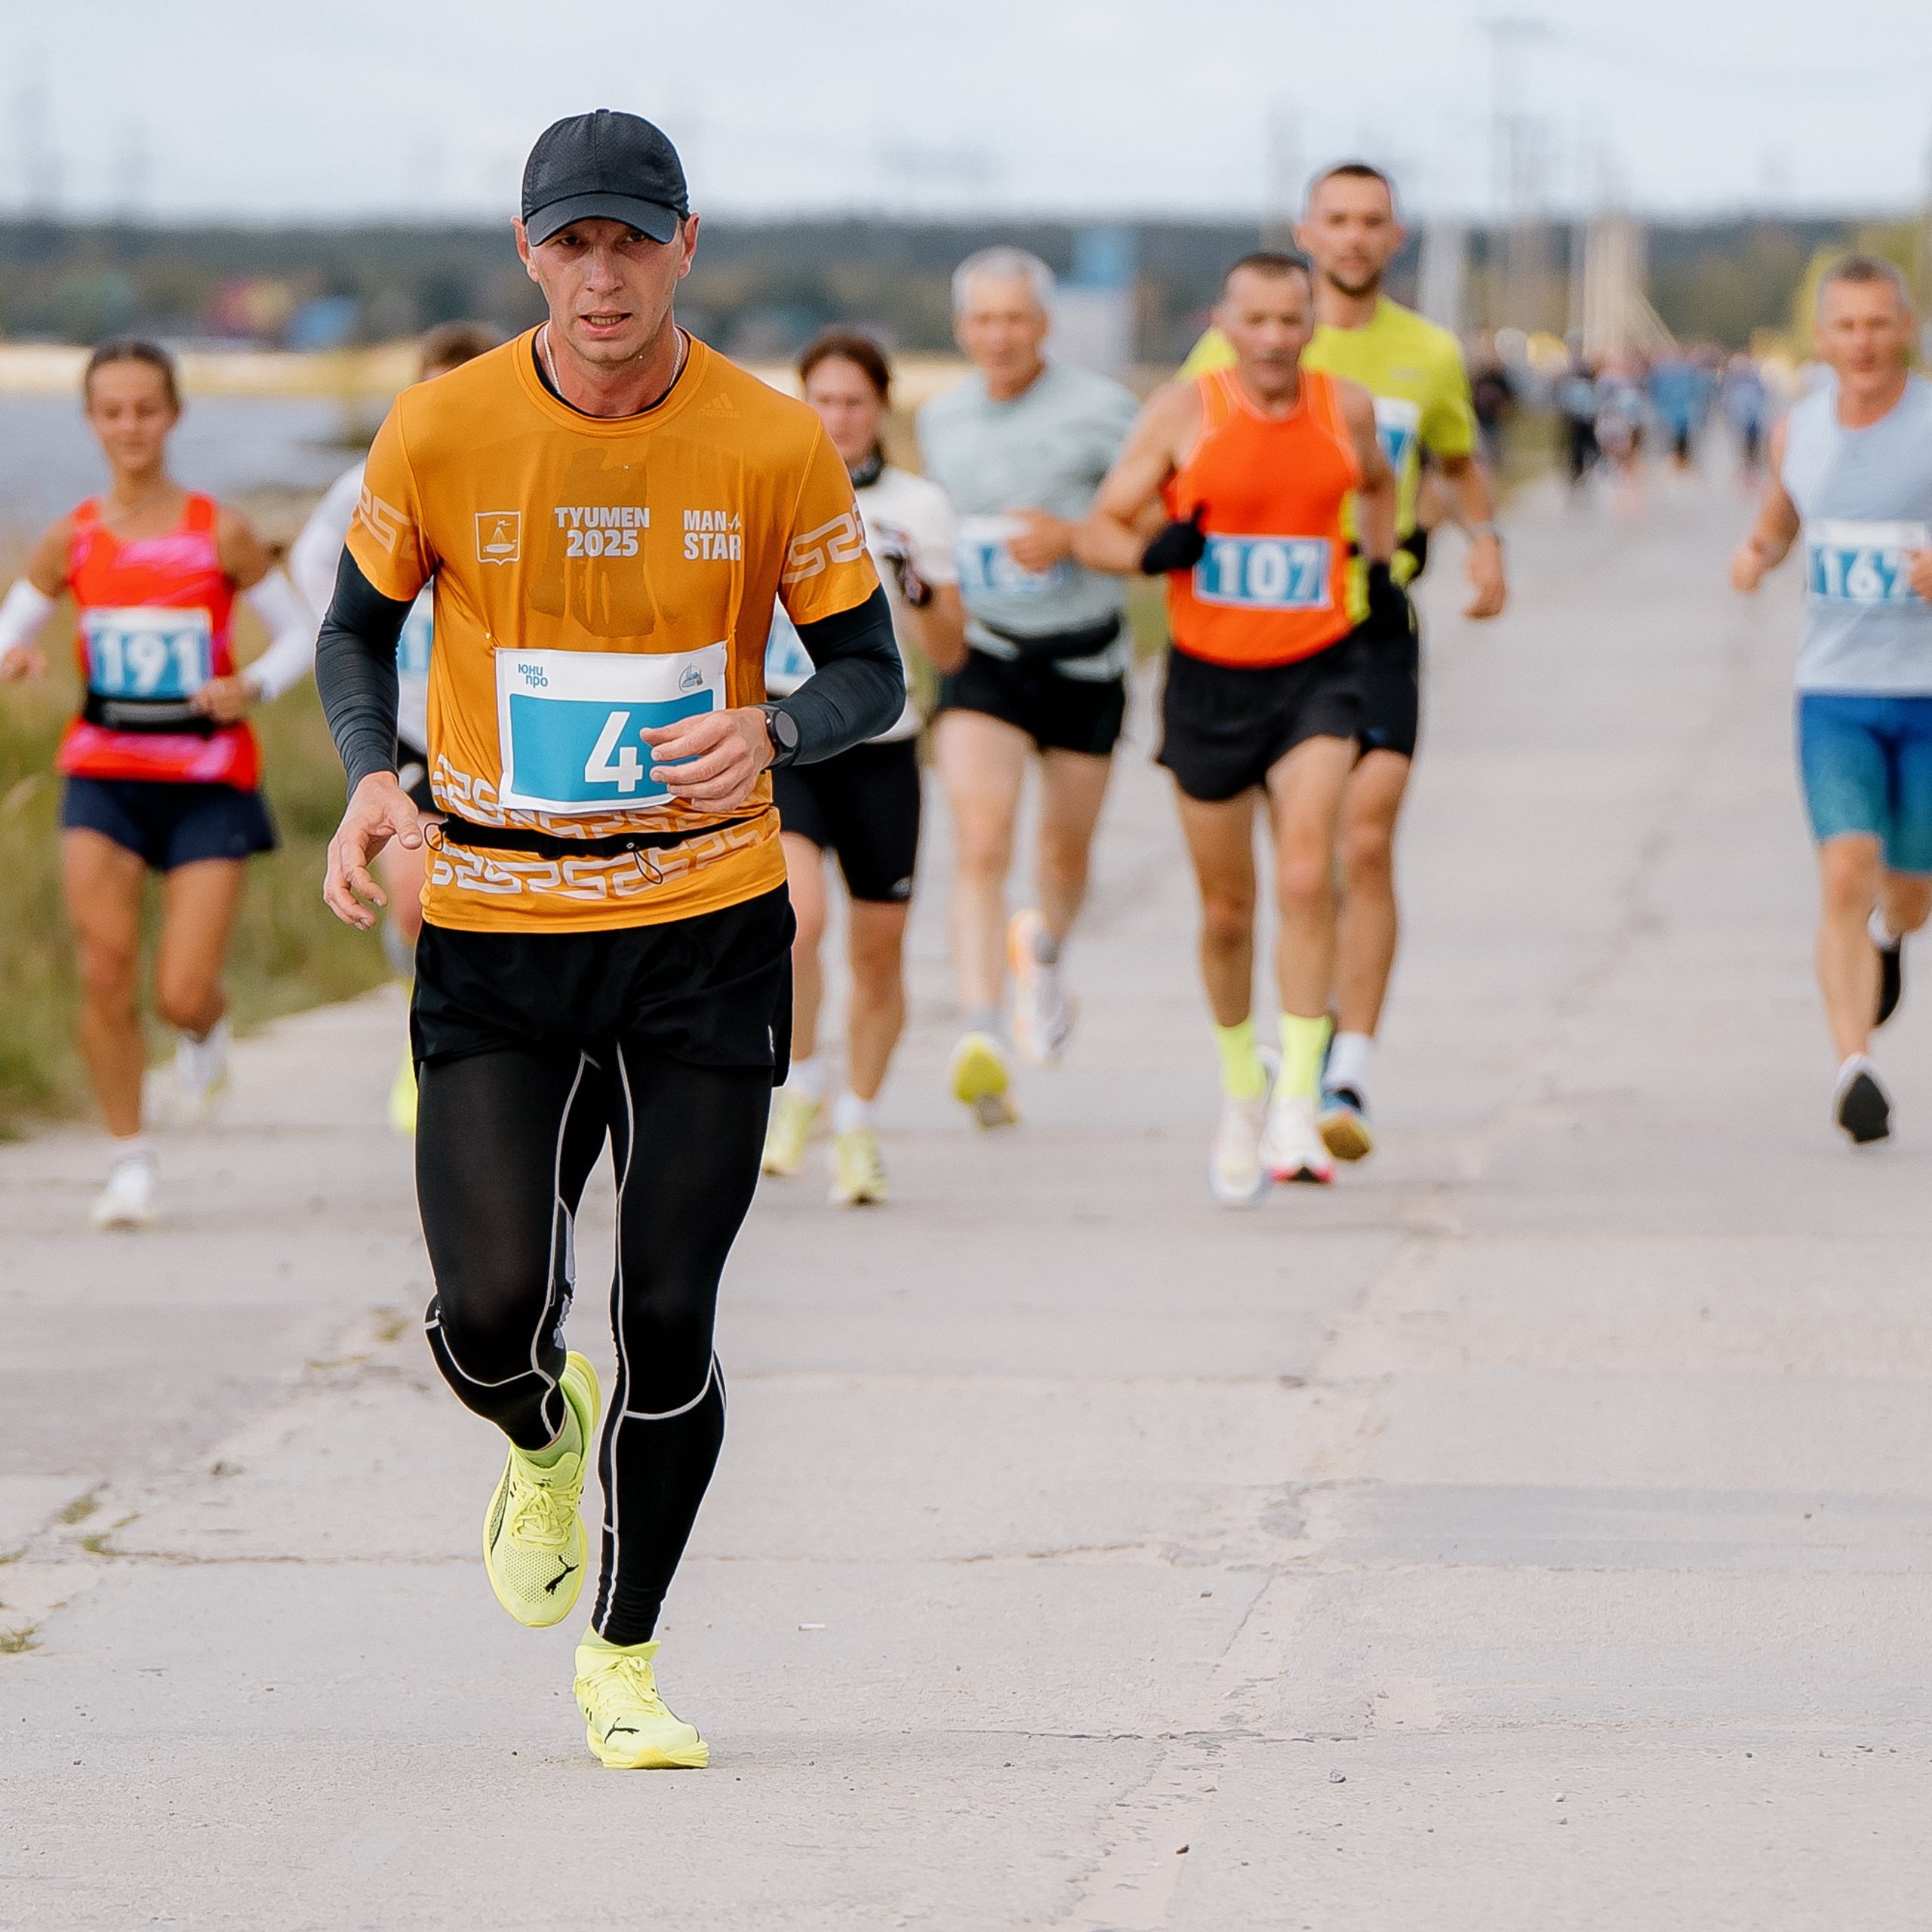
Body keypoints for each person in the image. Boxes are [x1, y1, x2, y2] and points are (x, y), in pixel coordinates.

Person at [314, 111, 901, 1768]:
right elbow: (354, 636)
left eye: (631, 240)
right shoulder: (438, 428)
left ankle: (625, 1652)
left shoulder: (776, 444)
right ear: (527, 254)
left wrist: (779, 728)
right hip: (498, 925)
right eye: (570, 243)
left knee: (673, 1311)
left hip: (704, 928)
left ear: (684, 246)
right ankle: (533, 1430)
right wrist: (373, 782)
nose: (602, 274)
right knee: (486, 1309)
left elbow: (873, 670)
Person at [1180, 163, 1508, 1161]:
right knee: (1297, 865)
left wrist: (1486, 545)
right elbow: (1187, 464)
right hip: (1260, 642)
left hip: (1374, 622)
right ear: (1306, 232)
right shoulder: (1232, 347)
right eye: (1337, 221)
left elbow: (1456, 462)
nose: (1354, 238)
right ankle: (1295, 1050)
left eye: (1372, 221)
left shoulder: (1430, 353)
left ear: (1394, 237)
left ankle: (1346, 1069)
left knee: (1362, 845)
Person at [1078, 251, 1396, 1200]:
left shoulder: (1346, 407)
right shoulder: (1184, 411)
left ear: (1311, 321)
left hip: (1319, 673)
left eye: (1288, 320)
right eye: (1252, 321)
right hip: (1210, 684)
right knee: (1227, 910)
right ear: (1223, 321)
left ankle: (1299, 1094)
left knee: (1308, 872)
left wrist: (1376, 570)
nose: (1271, 339)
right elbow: (1097, 528)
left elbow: (1377, 485)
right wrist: (1151, 549)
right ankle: (1240, 1090)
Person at [0, 339, 315, 1229]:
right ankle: (129, 1161)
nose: (130, 425)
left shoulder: (220, 528)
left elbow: (296, 635)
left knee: (180, 988)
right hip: (102, 773)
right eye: (112, 411)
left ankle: (204, 1026)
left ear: (172, 415)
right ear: (92, 422)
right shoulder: (75, 535)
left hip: (208, 778)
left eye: (146, 408)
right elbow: (9, 629)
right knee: (105, 970)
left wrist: (249, 686)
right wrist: (17, 655)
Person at [916, 248, 1140, 1126]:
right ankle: (981, 1031)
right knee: (980, 837)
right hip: (988, 655)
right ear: (963, 329)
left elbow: (1152, 515)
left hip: (1086, 656)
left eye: (1016, 319)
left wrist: (1075, 534)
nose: (1000, 335)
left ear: (1043, 326)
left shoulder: (1102, 411)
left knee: (1062, 857)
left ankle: (1043, 950)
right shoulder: (941, 418)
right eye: (984, 320)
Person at [1730, 254, 1932, 1146]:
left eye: (1878, 323)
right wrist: (1756, 554)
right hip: (1835, 693)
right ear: (1820, 337)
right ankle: (1855, 1065)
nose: (1862, 342)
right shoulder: (1796, 429)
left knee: (1911, 891)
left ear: (1907, 327)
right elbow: (1783, 517)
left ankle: (1893, 940)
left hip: (1924, 693)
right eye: (1845, 325)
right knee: (1843, 872)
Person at [759, 330, 966, 1202]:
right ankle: (798, 1084)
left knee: (879, 957)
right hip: (790, 737)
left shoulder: (918, 504)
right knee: (798, 924)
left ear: (880, 409)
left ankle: (858, 1122)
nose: (837, 418)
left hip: (883, 751)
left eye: (852, 403)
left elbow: (950, 650)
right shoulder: (767, 488)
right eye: (822, 400)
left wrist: (916, 584)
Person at [291, 321, 501, 1134]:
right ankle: (424, 1032)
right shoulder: (372, 479)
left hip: (499, 728)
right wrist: (352, 640)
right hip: (417, 726)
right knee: (415, 904)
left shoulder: (520, 471)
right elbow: (315, 567)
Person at [1721, 352, 1770, 480]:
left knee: (1753, 442)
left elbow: (1762, 395)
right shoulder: (1733, 381)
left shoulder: (1754, 378)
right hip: (1740, 418)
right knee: (1742, 443)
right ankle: (1746, 466)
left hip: (1753, 418)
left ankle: (1752, 466)